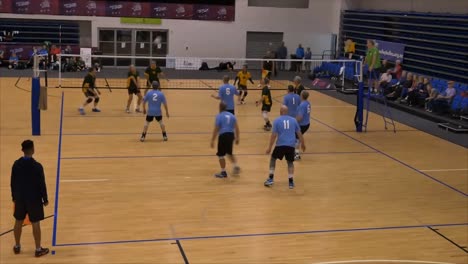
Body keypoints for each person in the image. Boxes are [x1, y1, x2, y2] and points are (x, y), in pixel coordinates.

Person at [11, 140, 49, 257]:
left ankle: (17, 246)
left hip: (20, 198)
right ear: (33, 150)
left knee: (18, 221)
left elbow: (12, 182)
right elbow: (41, 184)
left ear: (22, 150)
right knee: (35, 223)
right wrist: (45, 199)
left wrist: (14, 197)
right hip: (34, 199)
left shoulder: (16, 165)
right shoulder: (37, 167)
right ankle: (38, 249)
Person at [264, 105, 306, 189]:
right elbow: (299, 133)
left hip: (280, 144)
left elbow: (274, 135)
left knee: (273, 159)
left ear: (280, 112)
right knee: (290, 162)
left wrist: (269, 147)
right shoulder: (294, 120)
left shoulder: (276, 121)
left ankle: (271, 178)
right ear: (287, 112)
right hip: (291, 145)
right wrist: (303, 144)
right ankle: (291, 182)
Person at [210, 102, 240, 178]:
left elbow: (216, 129)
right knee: (229, 153)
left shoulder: (219, 116)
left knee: (220, 155)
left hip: (223, 135)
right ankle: (235, 166)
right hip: (231, 135)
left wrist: (212, 140)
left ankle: (223, 172)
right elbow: (237, 128)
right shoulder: (232, 116)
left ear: (220, 108)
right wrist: (237, 138)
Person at [295, 91, 311, 160]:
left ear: (301, 96)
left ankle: (297, 155)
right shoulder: (308, 103)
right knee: (297, 138)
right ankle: (296, 151)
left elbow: (300, 117)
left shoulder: (302, 105)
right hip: (307, 123)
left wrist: (294, 122)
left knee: (296, 139)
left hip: (301, 125)